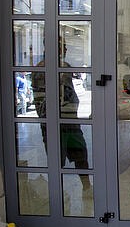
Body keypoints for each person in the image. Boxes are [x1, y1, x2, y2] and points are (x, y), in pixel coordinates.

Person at [31, 40, 91, 190]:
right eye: (62, 46)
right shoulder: (41, 69)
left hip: (70, 119)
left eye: (65, 46)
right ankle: (59, 193)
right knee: (57, 158)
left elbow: (70, 91)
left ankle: (86, 186)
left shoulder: (66, 67)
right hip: (53, 122)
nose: (65, 49)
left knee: (81, 153)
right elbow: (40, 98)